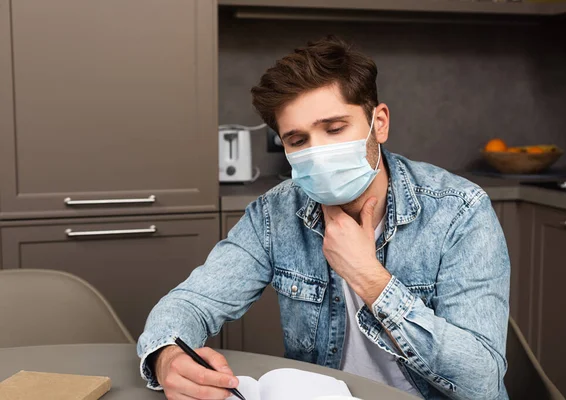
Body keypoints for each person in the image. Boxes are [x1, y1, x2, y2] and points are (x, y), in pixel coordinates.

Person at [137, 36, 510, 400]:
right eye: (298, 141)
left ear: (378, 123)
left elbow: (483, 382)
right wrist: (166, 357)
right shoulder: (275, 213)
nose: (318, 153)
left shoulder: (459, 211)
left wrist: (371, 280)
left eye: (334, 129)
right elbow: (191, 302)